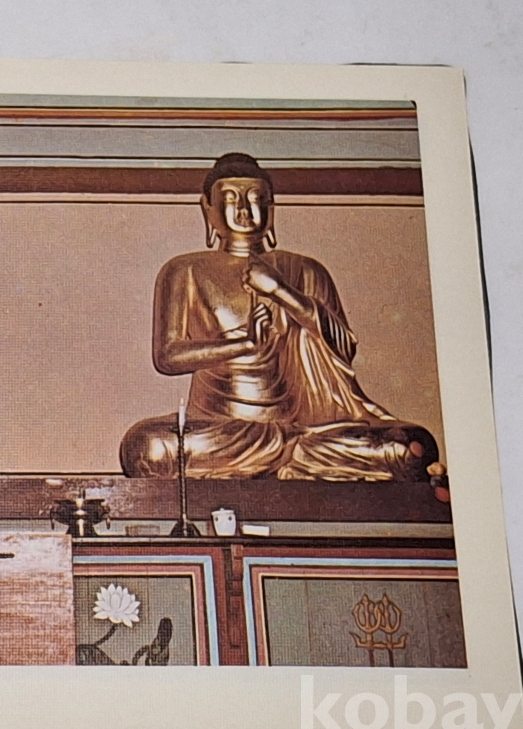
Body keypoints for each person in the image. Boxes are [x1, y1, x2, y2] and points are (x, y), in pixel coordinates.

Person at [119, 153, 444, 485]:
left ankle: (283, 455)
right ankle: (287, 458)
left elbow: (343, 347)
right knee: (146, 448)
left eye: (256, 199)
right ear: (208, 209)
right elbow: (168, 356)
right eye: (230, 199)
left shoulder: (306, 270)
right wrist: (243, 344)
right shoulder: (184, 270)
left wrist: (280, 291)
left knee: (410, 449)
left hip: (305, 429)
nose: (244, 210)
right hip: (225, 430)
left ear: (271, 209)